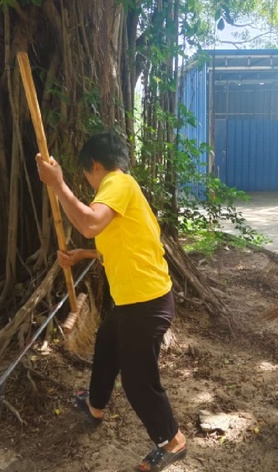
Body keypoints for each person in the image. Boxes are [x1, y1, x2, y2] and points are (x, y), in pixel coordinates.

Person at [35, 132, 187, 471]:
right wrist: (82, 254)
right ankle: (95, 404)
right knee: (106, 343)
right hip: (136, 299)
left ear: (97, 166)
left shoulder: (117, 183)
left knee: (138, 379)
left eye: (86, 174)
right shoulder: (122, 191)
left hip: (146, 303)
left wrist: (58, 184)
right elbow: (118, 242)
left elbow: (89, 223)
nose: (88, 181)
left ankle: (172, 441)